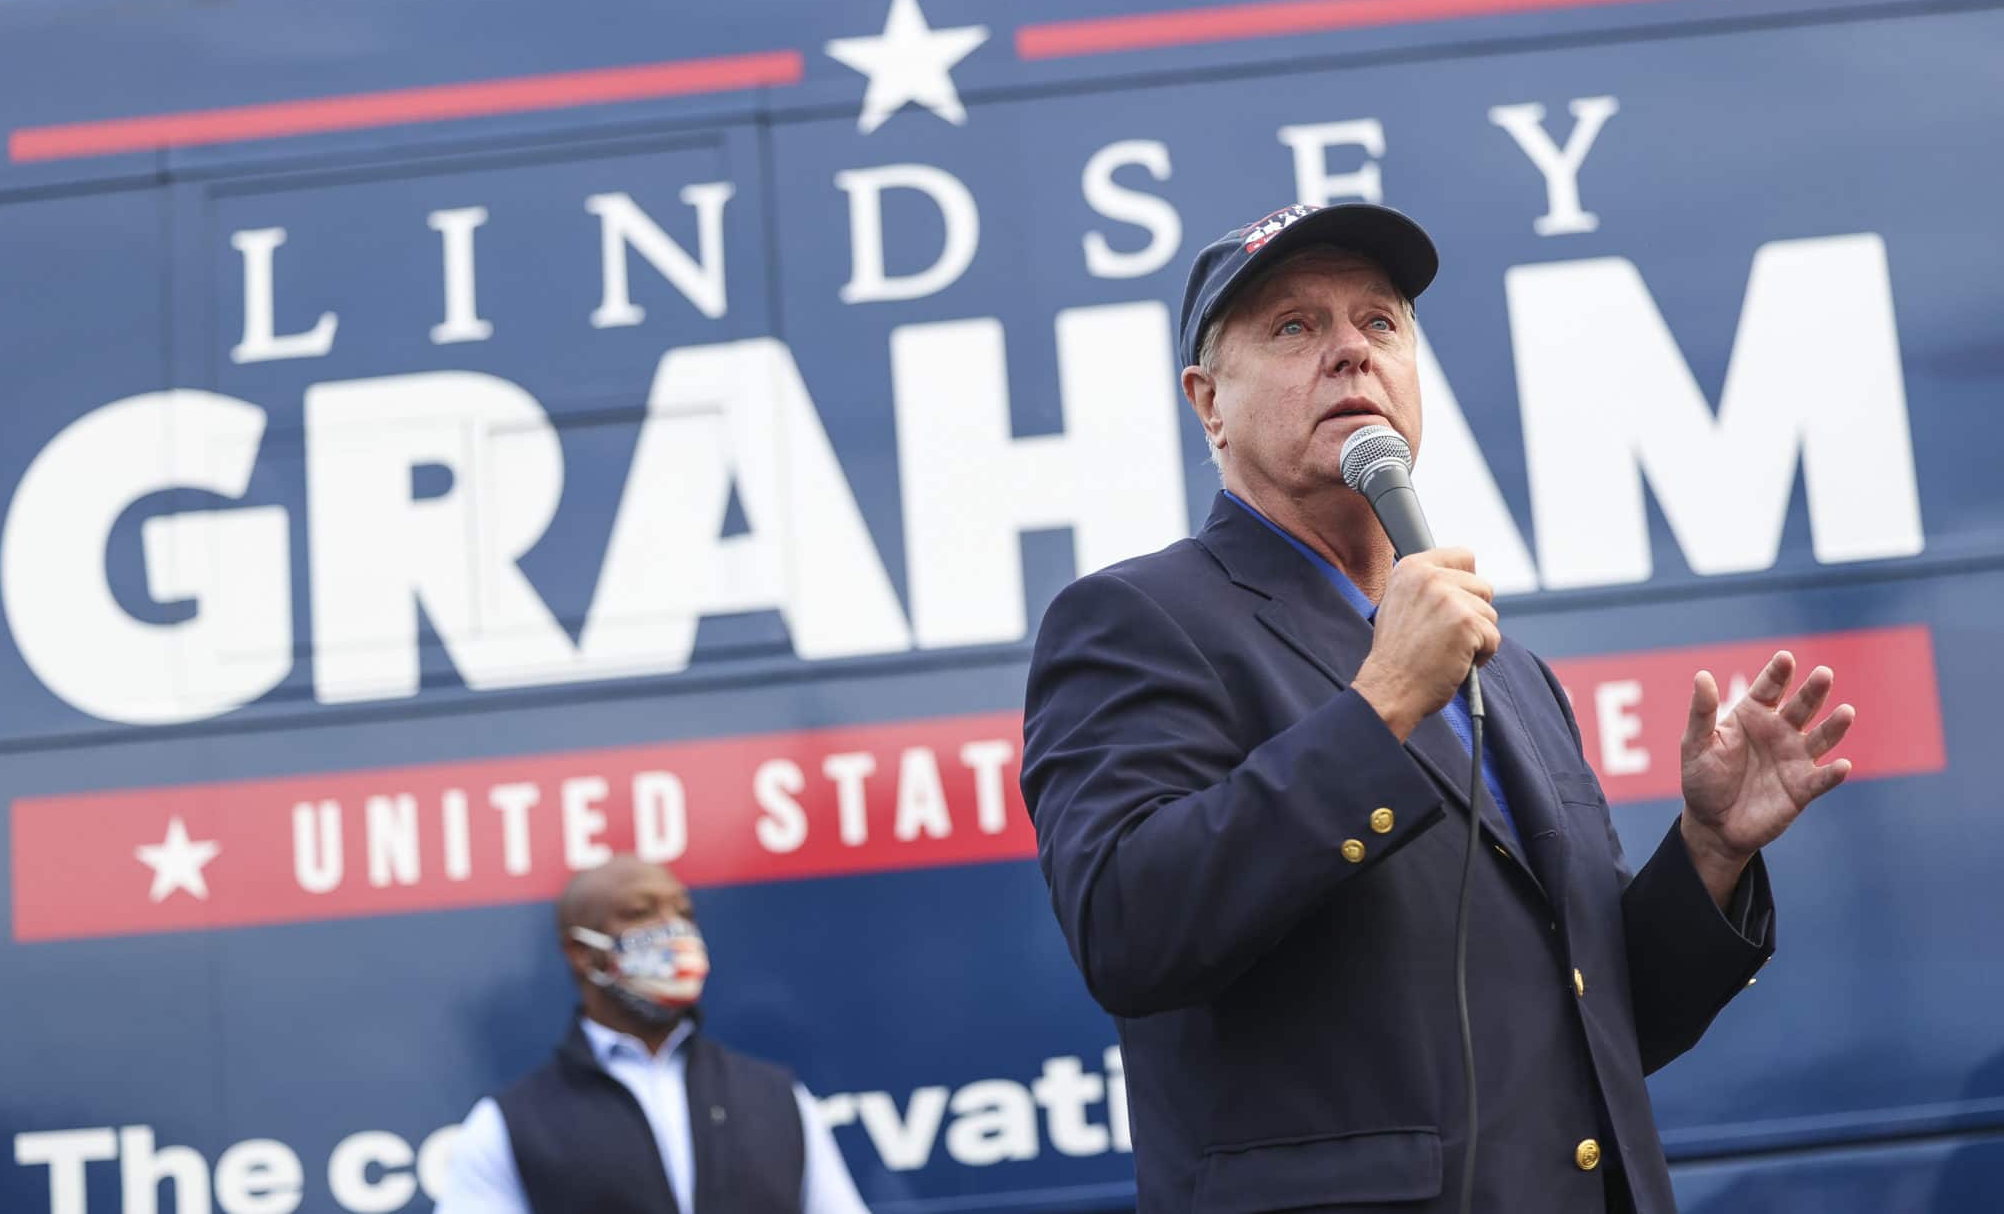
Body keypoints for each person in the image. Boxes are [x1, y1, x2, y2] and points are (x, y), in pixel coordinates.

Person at [1019, 203, 1855, 1214]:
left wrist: (1710, 852)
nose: (1347, 355)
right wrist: (1379, 708)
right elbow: (1127, 927)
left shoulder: (1506, 671)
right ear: (1208, 403)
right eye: (1292, 327)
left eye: (1378, 325)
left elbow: (1595, 1030)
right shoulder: (1134, 619)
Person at [436, 856, 870, 1214]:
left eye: (683, 913)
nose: (673, 931)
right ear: (581, 952)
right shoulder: (509, 1126)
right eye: (640, 914)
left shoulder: (777, 1099)